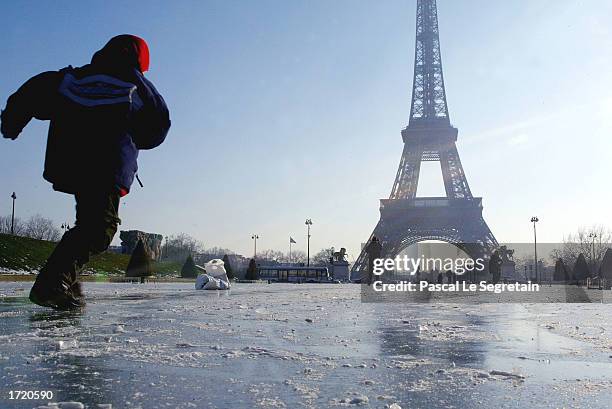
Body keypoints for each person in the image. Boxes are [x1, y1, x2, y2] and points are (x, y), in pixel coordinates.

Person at [1, 35, 171, 310]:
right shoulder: (134, 83)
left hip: (71, 160)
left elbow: (33, 91)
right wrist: (135, 138)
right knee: (99, 229)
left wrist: (12, 122)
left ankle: (66, 280)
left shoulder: (74, 77)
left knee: (89, 223)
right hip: (106, 164)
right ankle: (51, 285)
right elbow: (158, 124)